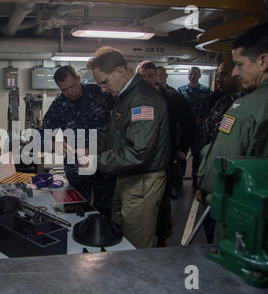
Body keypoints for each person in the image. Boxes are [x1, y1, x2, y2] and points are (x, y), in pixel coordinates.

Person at [86, 48, 170, 249]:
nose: (103, 89)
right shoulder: (125, 97)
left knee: (135, 246)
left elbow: (137, 152)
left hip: (142, 181)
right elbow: (113, 135)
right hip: (127, 178)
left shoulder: (142, 100)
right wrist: (89, 150)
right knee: (120, 239)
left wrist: (97, 161)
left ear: (120, 72)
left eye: (104, 82)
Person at [198, 22, 268, 199]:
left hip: (244, 205)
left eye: (239, 64)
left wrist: (206, 189)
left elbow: (222, 162)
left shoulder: (245, 108)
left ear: (263, 61)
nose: (235, 72)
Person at [41, 65, 116, 218]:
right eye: (64, 89)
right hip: (76, 166)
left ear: (78, 79)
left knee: (106, 208)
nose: (69, 92)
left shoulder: (99, 92)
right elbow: (43, 134)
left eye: (72, 86)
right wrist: (52, 143)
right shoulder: (59, 104)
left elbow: (121, 109)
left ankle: (103, 237)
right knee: (76, 210)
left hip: (104, 160)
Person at [136, 60, 196, 246]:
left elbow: (189, 122)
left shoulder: (170, 97)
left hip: (164, 159)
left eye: (150, 76)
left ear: (157, 76)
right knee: (138, 203)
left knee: (162, 202)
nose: (146, 80)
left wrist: (181, 148)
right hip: (138, 161)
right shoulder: (132, 98)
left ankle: (162, 240)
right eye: (142, 76)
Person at [177, 66, 212, 188]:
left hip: (200, 130)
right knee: (181, 156)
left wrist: (202, 120)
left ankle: (197, 182)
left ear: (200, 76)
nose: (193, 76)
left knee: (198, 156)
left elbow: (210, 110)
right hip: (184, 130)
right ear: (188, 75)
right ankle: (178, 181)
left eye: (195, 74)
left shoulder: (206, 91)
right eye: (191, 74)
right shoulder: (181, 90)